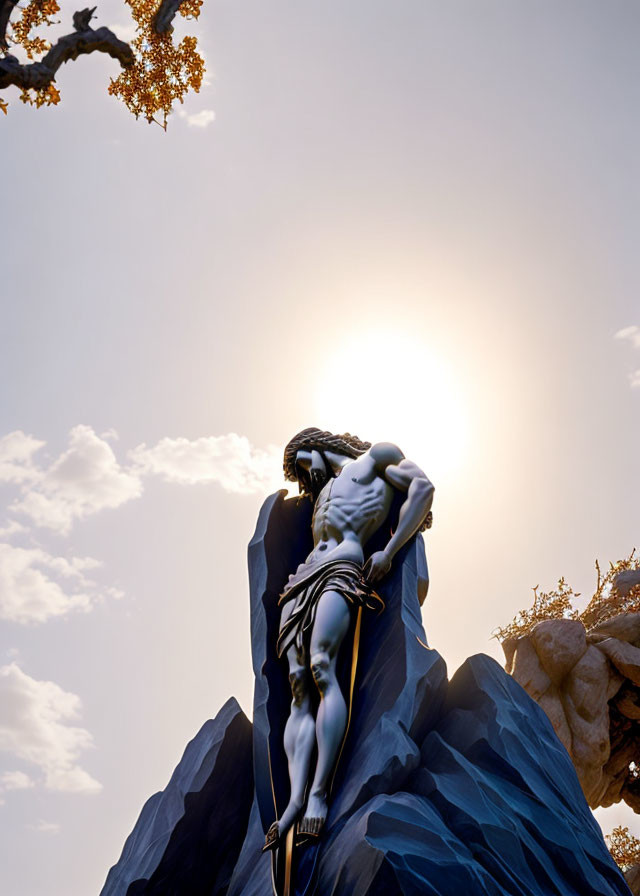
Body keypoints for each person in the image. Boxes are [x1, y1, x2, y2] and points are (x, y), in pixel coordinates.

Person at [263, 428, 434, 852]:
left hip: (344, 564)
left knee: (323, 665)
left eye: (301, 463)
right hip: (300, 578)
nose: (303, 477)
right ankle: (293, 803)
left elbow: (423, 487)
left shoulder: (376, 458)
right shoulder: (318, 499)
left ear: (313, 445)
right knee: (298, 687)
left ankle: (320, 794)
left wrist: (390, 551)